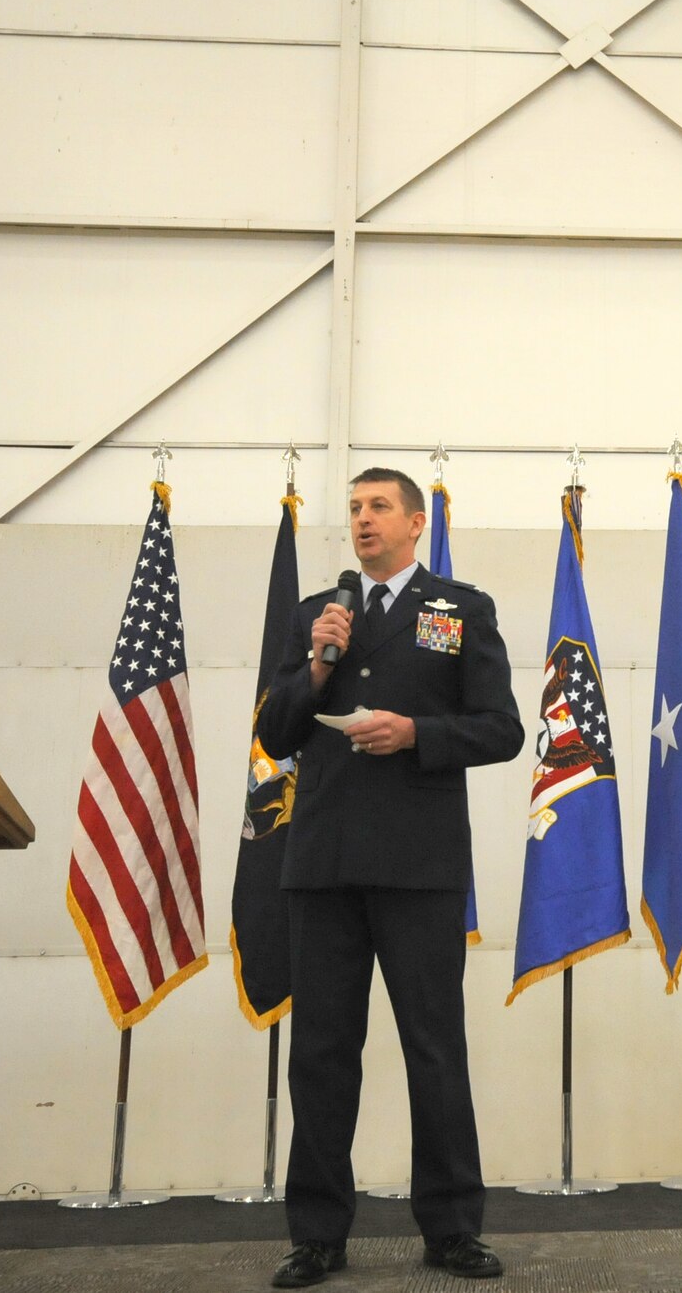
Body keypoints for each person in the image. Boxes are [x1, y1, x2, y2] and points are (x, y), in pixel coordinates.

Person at [255, 468, 525, 1286]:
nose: (363, 521)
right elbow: (273, 731)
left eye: (379, 508)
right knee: (323, 1053)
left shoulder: (459, 609)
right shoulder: (316, 616)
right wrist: (317, 673)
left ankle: (450, 1229)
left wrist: (418, 733)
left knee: (434, 1051)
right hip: (325, 864)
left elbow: (502, 729)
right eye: (355, 509)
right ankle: (318, 1236)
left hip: (418, 863)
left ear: (414, 523)